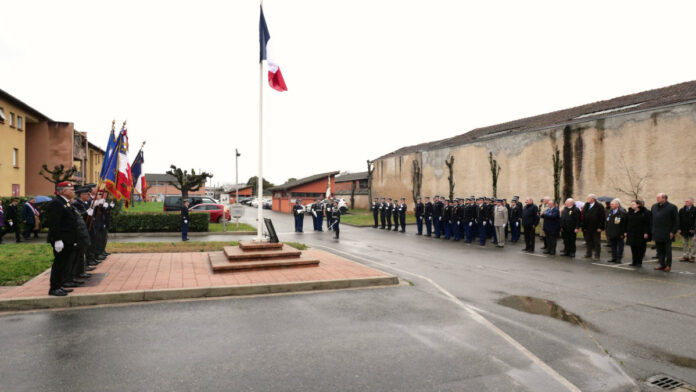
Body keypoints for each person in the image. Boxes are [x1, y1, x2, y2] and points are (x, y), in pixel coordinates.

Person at [46, 182, 79, 296]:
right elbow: (54, 223)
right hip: (61, 240)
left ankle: (60, 285)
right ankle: (54, 288)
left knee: (64, 263)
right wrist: (57, 240)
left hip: (68, 239)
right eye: (71, 189)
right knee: (59, 263)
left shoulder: (65, 203)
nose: (73, 191)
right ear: (63, 191)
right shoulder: (56, 203)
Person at [651, 193, 679, 272]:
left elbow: (676, 221)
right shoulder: (654, 206)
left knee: (667, 250)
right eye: (657, 197)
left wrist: (673, 232)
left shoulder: (672, 207)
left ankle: (668, 265)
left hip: (667, 233)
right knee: (659, 250)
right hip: (657, 232)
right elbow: (652, 219)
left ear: (664, 198)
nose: (657, 199)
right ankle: (662, 264)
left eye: (659, 197)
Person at [625, 200, 651, 267]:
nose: (632, 205)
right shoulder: (630, 212)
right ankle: (634, 261)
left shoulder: (645, 212)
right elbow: (626, 222)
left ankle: (639, 262)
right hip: (631, 233)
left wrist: (646, 232)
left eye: (633, 204)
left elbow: (647, 223)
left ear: (638, 205)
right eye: (631, 204)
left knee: (640, 248)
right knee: (633, 248)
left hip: (640, 233)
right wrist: (625, 231)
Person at [581, 194, 606, 261]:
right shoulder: (587, 205)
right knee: (588, 241)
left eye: (589, 198)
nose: (587, 199)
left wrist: (600, 227)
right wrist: (583, 226)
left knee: (596, 242)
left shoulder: (599, 206)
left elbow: (602, 217)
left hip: (596, 227)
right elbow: (583, 215)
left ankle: (597, 255)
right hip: (587, 227)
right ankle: (588, 253)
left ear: (593, 199)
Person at [605, 199, 627, 263]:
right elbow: (607, 221)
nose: (611, 205)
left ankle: (619, 258)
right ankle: (614, 257)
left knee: (620, 246)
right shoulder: (610, 211)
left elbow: (624, 224)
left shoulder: (622, 212)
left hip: (619, 233)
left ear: (617, 205)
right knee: (613, 246)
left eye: (612, 204)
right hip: (611, 232)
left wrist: (622, 233)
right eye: (611, 204)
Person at [678, 197, 696, 262]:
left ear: (692, 202)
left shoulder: (695, 210)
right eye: (685, 201)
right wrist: (679, 228)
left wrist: (694, 229)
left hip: (692, 231)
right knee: (684, 243)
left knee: (693, 244)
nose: (685, 202)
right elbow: (678, 220)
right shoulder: (681, 210)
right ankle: (685, 256)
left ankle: (693, 257)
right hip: (683, 230)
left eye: (687, 201)